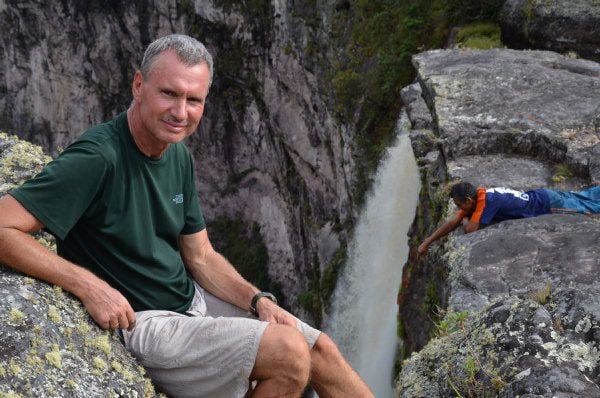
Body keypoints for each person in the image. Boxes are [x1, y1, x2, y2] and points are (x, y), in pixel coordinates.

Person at [0, 34, 373, 398]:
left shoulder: (176, 154)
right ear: (138, 85)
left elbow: (201, 256)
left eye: (193, 100)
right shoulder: (99, 158)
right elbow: (3, 226)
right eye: (169, 94)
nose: (180, 113)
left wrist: (258, 300)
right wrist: (88, 285)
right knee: (289, 354)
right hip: (144, 321)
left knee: (321, 350)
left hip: (190, 302)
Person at [417, 181, 600, 259]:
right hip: (543, 195)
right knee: (583, 197)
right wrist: (427, 241)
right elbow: (452, 222)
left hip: (547, 204)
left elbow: (469, 229)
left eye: (459, 205)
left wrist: (466, 220)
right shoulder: (481, 195)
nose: (459, 210)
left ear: (469, 201)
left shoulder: (485, 203)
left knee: (588, 208)